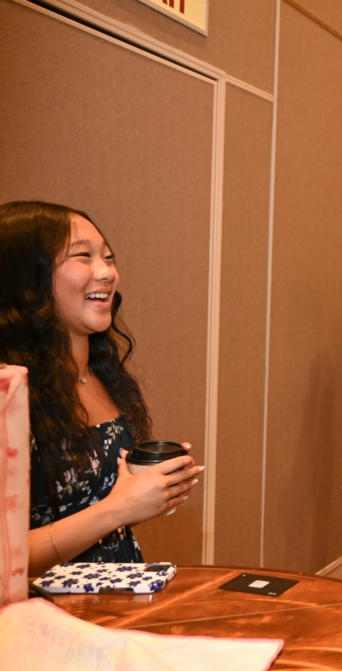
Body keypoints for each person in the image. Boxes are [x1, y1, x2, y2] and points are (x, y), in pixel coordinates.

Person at [0, 201, 202, 578]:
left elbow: (89, 511)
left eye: (108, 258)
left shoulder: (98, 375)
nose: (107, 272)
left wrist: (148, 490)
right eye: (83, 256)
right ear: (26, 277)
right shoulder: (8, 391)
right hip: (43, 609)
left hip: (116, 597)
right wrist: (118, 508)